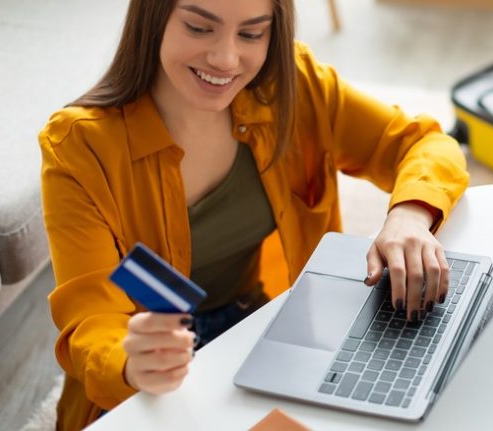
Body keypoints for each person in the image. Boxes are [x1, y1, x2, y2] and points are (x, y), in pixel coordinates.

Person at [38, 0, 469, 429]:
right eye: (198, 27)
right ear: (153, 18)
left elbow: (423, 143)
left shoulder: (294, 87)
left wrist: (409, 216)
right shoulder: (79, 147)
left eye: (250, 34)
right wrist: (130, 361)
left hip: (256, 327)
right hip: (143, 372)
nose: (226, 59)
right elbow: (91, 320)